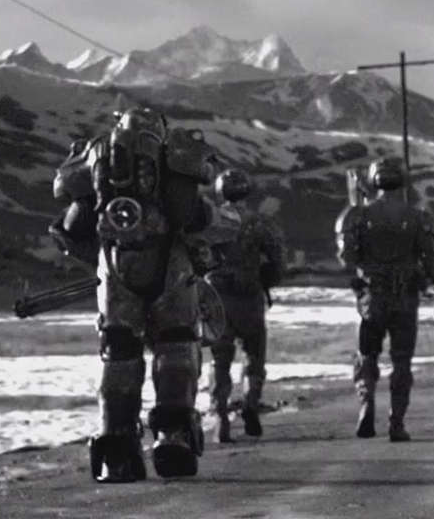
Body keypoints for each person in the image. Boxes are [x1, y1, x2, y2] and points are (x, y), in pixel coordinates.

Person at [49, 107, 222, 482]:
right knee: (176, 345)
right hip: (170, 262)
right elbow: (197, 217)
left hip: (114, 266)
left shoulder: (94, 157)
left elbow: (73, 226)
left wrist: (94, 256)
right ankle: (173, 437)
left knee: (119, 351)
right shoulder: (176, 160)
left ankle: (116, 450)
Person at [334, 157, 434, 442]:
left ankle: (366, 404)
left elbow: (346, 257)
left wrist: (361, 277)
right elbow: (432, 259)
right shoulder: (418, 217)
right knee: (402, 361)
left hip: (372, 297)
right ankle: (396, 422)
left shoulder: (358, 215)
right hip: (405, 298)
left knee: (367, 354)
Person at [206, 168, 287, 443]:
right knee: (254, 355)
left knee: (220, 359)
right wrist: (267, 281)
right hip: (249, 296)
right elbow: (277, 260)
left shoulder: (210, 220)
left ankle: (220, 416)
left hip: (217, 297)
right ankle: (251, 403)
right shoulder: (259, 222)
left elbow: (197, 254)